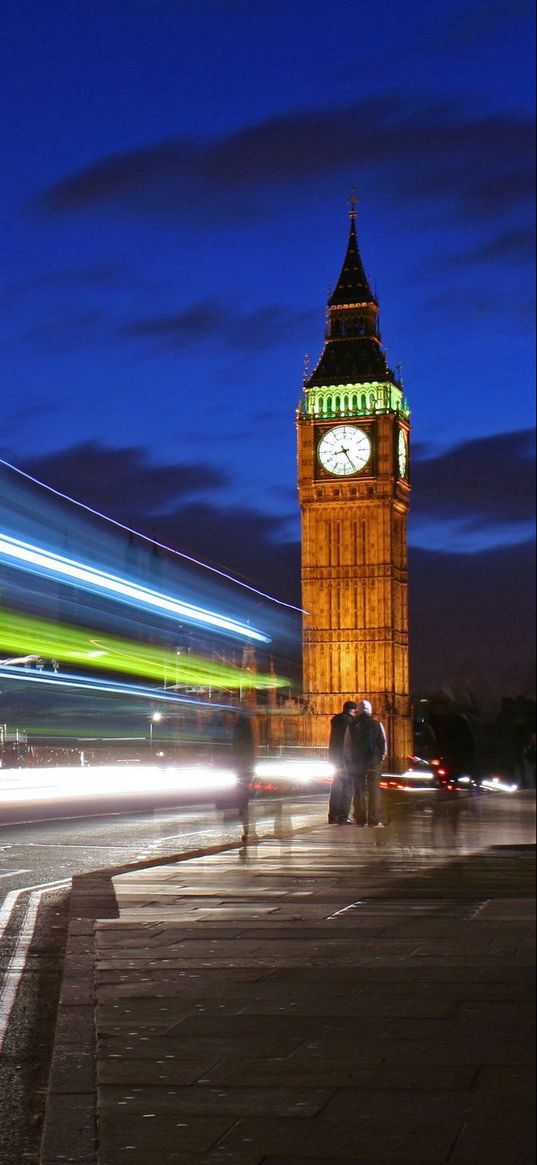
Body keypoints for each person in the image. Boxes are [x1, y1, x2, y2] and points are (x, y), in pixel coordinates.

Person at [344, 699, 387, 827]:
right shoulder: (377, 724)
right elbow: (383, 744)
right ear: (370, 710)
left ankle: (360, 819)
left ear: (359, 710)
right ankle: (373, 820)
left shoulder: (351, 725)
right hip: (373, 762)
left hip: (357, 762)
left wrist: (350, 759)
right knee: (374, 791)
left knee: (359, 790)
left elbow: (347, 745)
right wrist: (380, 758)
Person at [327, 700, 358, 823]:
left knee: (336, 788)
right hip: (346, 760)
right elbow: (350, 744)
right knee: (348, 788)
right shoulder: (350, 723)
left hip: (335, 759)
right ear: (353, 710)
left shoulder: (336, 721)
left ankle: (332, 816)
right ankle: (342, 817)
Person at [231, 713, 258, 843]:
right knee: (247, 801)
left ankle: (246, 830)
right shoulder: (249, 736)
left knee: (243, 803)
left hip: (240, 770)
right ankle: (247, 830)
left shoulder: (237, 732)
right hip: (247, 770)